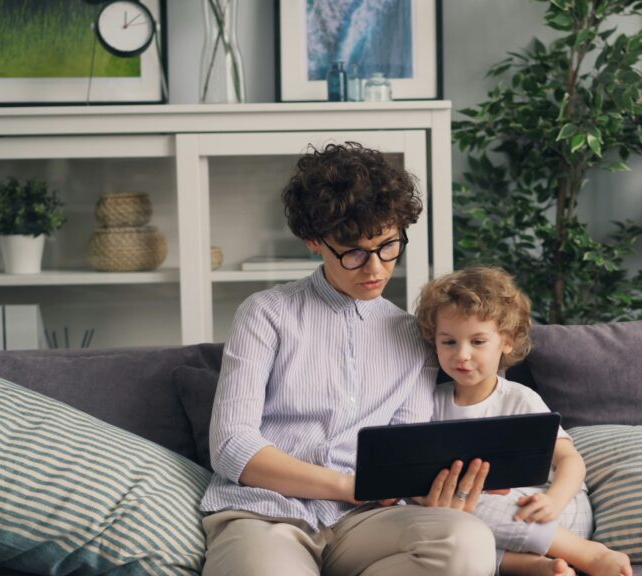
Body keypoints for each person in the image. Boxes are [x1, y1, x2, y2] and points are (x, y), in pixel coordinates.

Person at [200, 143, 497, 576]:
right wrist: (345, 485)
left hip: (368, 521)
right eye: (354, 252)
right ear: (315, 242)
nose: (375, 268)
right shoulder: (266, 313)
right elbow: (230, 446)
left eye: (388, 246)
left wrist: (428, 491)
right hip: (265, 515)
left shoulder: (415, 336)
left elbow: (404, 450)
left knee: (466, 540)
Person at [416, 267, 634, 576]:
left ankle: (583, 553)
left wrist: (555, 499)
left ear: (506, 341)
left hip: (551, 511)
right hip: (474, 515)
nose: (461, 355)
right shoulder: (430, 401)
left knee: (466, 509)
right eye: (448, 342)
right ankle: (532, 566)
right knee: (432, 515)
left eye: (478, 341)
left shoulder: (519, 399)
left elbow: (570, 460)